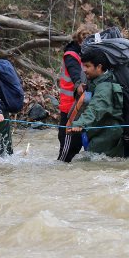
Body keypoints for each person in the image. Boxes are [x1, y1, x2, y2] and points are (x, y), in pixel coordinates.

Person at [65, 47, 124, 158]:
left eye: (87, 66)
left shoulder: (104, 88)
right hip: (100, 134)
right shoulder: (96, 81)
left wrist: (79, 124)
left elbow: (95, 109)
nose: (84, 70)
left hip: (106, 137)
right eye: (83, 66)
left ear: (99, 67)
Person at [57, 23, 95, 162]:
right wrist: (79, 84)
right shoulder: (71, 55)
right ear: (80, 40)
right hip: (70, 109)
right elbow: (75, 75)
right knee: (66, 155)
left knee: (79, 148)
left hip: (83, 107)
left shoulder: (87, 55)